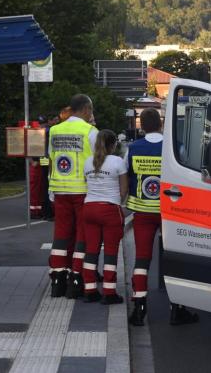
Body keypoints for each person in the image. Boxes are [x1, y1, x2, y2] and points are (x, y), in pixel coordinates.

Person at [126, 108, 198, 326]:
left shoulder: (132, 148)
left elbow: (126, 174)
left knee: (142, 258)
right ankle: (177, 308)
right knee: (175, 258)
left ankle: (139, 307)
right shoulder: (174, 148)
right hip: (171, 211)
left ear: (141, 126)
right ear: (160, 124)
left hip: (143, 210)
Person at [48, 95, 98, 299]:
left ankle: (57, 279)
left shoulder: (54, 130)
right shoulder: (90, 131)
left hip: (59, 189)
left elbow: (51, 160)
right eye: (91, 111)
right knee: (81, 235)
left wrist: (51, 189)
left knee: (61, 234)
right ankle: (76, 279)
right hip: (82, 190)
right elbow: (98, 163)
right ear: (86, 109)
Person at [81, 129, 128, 304]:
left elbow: (87, 184)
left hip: (89, 208)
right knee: (110, 252)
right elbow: (123, 189)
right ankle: (109, 292)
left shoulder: (87, 162)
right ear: (113, 144)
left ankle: (90, 289)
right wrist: (117, 201)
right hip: (109, 210)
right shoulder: (117, 161)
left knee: (91, 250)